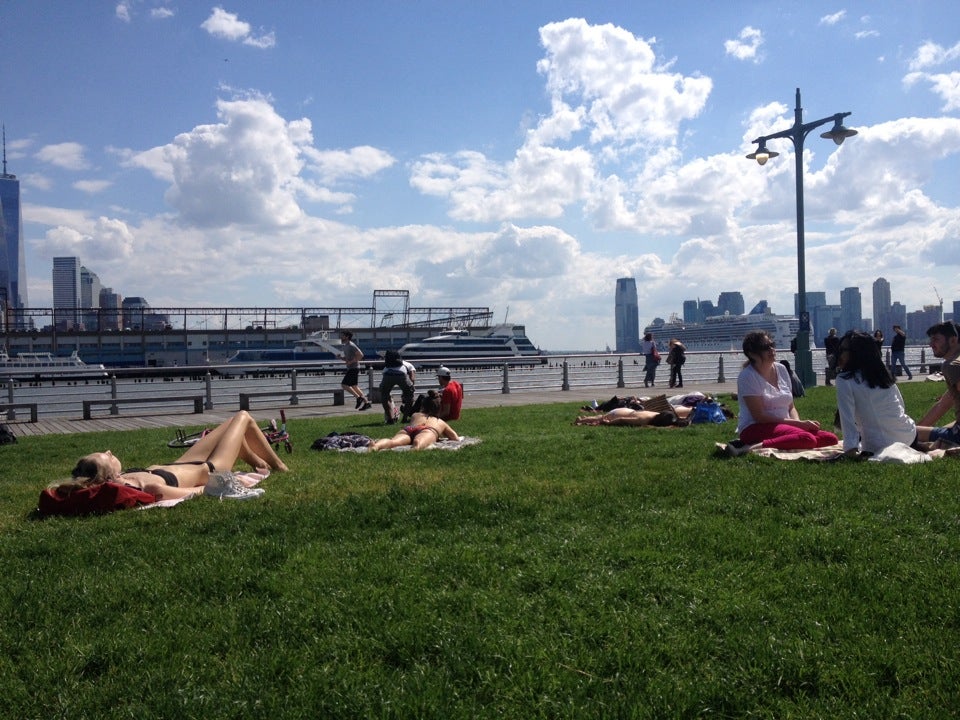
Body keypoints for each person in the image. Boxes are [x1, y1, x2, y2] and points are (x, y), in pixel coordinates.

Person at [55, 411, 290, 502]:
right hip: (210, 469)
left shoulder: (125, 477)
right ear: (109, 474)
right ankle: (280, 467)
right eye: (106, 456)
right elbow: (193, 492)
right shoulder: (141, 485)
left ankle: (261, 464)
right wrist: (223, 484)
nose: (108, 451)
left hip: (184, 464)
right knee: (243, 418)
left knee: (231, 428)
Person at [726, 331, 838, 455]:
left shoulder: (781, 369)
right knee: (808, 439)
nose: (772, 349)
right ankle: (747, 449)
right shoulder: (748, 376)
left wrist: (799, 424)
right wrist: (797, 425)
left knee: (830, 439)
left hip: (783, 425)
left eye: (772, 345)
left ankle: (781, 440)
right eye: (765, 347)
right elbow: (759, 417)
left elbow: (791, 407)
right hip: (755, 427)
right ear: (752, 354)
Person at [834, 330, 919, 455]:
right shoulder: (883, 374)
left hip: (882, 446)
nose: (838, 354)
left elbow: (847, 418)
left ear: (856, 353)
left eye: (842, 350)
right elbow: (900, 406)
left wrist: (850, 449)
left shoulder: (844, 379)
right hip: (910, 436)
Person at [914, 321, 960, 447]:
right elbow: (943, 404)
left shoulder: (952, 365)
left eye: (936, 339)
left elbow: (943, 405)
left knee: (905, 434)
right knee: (917, 432)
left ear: (953, 340)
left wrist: (913, 432)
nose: (931, 344)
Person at [371, 392, 459, 450]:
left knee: (393, 442)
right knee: (419, 442)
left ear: (423, 406)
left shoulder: (415, 415)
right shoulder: (440, 422)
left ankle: (376, 446)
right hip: (428, 430)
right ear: (439, 409)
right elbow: (455, 438)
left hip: (410, 429)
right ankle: (416, 445)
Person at [379, 349, 416, 424]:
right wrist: (407, 391)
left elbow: (384, 378)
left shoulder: (387, 366)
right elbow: (412, 379)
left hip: (387, 375)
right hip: (401, 374)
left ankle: (391, 418)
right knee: (410, 397)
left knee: (385, 396)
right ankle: (405, 418)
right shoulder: (408, 364)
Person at [339, 331, 372, 411]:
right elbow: (348, 359)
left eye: (342, 335)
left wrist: (351, 362)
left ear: (347, 337)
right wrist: (341, 358)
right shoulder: (345, 346)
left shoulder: (351, 345)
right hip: (351, 368)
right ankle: (367, 403)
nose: (341, 337)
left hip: (354, 368)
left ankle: (358, 398)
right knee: (354, 386)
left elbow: (361, 355)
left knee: (344, 385)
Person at [575, 405, 691, 427]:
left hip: (626, 410)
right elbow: (622, 420)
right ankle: (582, 420)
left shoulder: (655, 414)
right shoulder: (644, 420)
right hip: (620, 414)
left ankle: (583, 419)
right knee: (601, 418)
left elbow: (675, 418)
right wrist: (609, 423)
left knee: (599, 417)